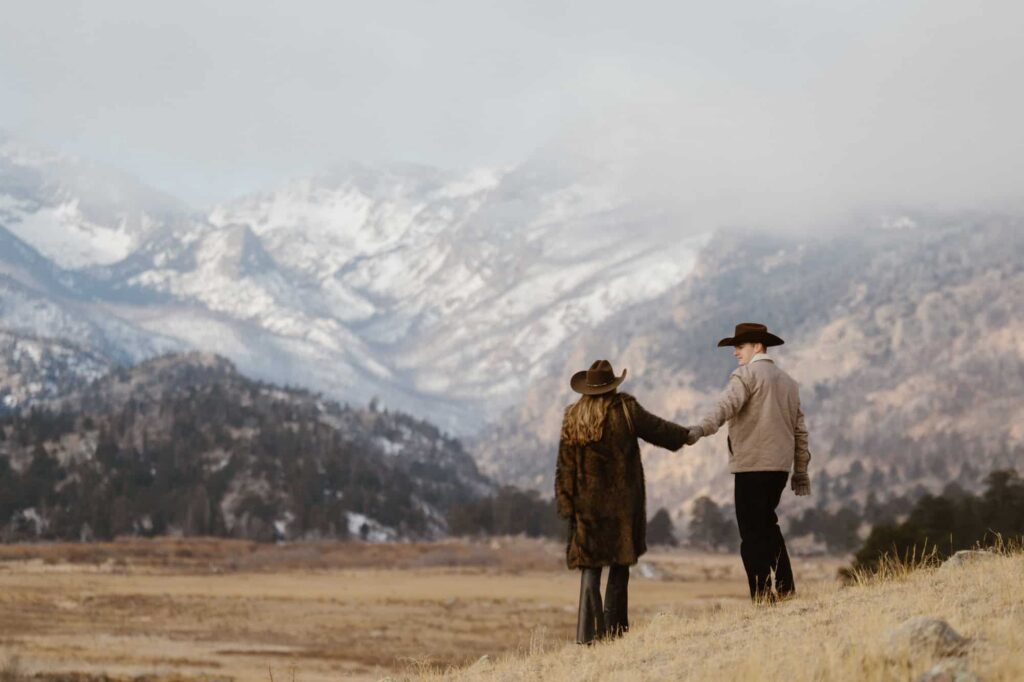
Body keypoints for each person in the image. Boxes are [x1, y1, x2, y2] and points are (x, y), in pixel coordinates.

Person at [555, 359, 689, 644]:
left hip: (587, 507)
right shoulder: (625, 410)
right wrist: (687, 435)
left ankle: (587, 636)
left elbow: (565, 467)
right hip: (622, 506)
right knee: (619, 568)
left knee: (590, 571)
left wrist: (568, 505)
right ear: (612, 385)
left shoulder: (573, 416)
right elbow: (659, 429)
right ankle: (615, 633)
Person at [685, 323, 812, 602]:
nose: (735, 353)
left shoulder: (745, 376)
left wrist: (699, 429)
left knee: (752, 535)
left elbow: (724, 407)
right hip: (779, 468)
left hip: (752, 466)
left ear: (758, 346)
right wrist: (800, 471)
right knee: (769, 526)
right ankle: (786, 589)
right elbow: (800, 430)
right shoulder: (788, 382)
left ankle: (762, 596)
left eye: (739, 347)